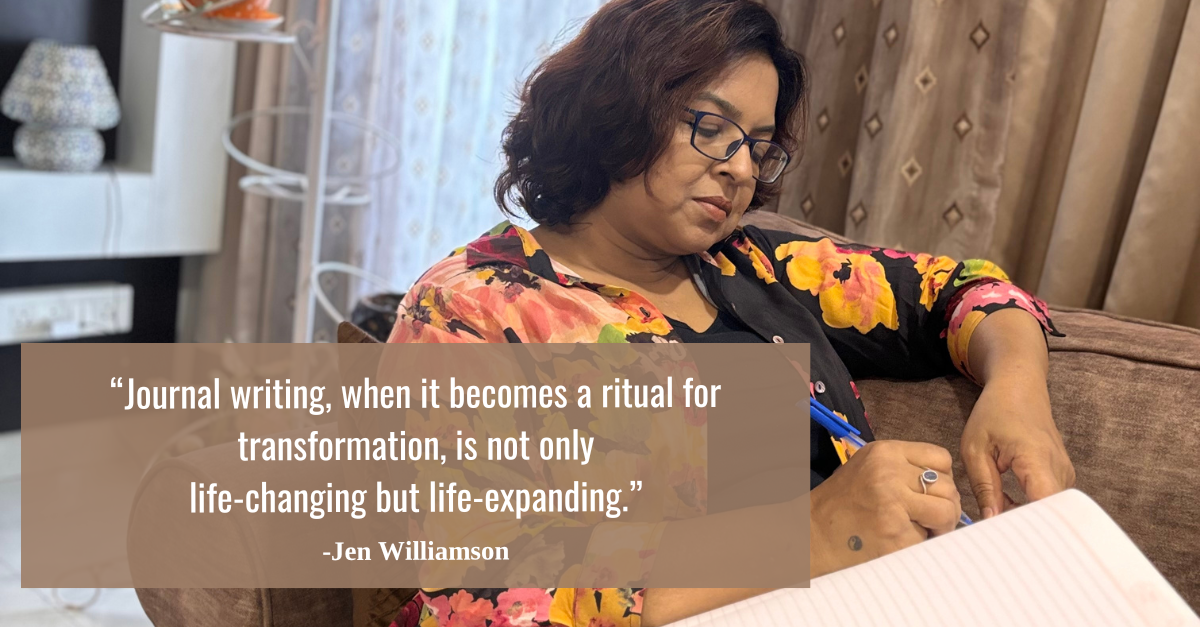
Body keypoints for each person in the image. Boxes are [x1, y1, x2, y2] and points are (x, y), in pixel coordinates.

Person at [386, 0, 1076, 624]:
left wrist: (1017, 393)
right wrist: (808, 532)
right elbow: (472, 595)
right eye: (713, 128)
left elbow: (963, 289)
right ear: (616, 107)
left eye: (758, 145)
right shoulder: (468, 307)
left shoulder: (758, 264)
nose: (742, 169)